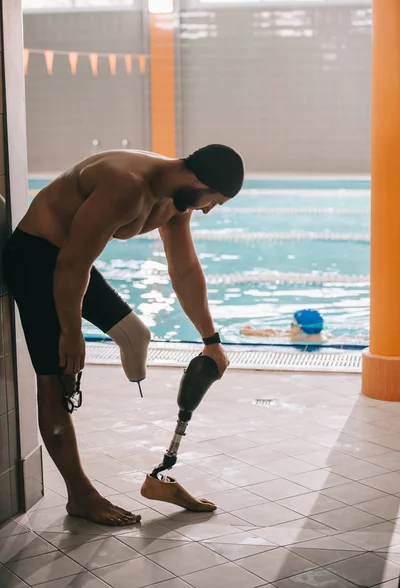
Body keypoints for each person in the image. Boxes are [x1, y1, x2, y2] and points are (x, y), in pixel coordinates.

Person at [2, 144, 244, 526]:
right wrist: (71, 331)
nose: (209, 210)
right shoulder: (127, 185)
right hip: (36, 258)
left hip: (67, 259)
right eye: (214, 201)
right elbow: (70, 264)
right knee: (57, 377)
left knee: (137, 335)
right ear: (200, 182)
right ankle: (80, 496)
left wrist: (210, 340)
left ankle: (81, 484)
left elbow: (184, 270)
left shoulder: (174, 201)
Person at [241, 308, 325, 343]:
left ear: (300, 328)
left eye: (292, 324)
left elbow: (269, 333)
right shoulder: (326, 336)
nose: (290, 326)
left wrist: (250, 332)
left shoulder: (296, 338)